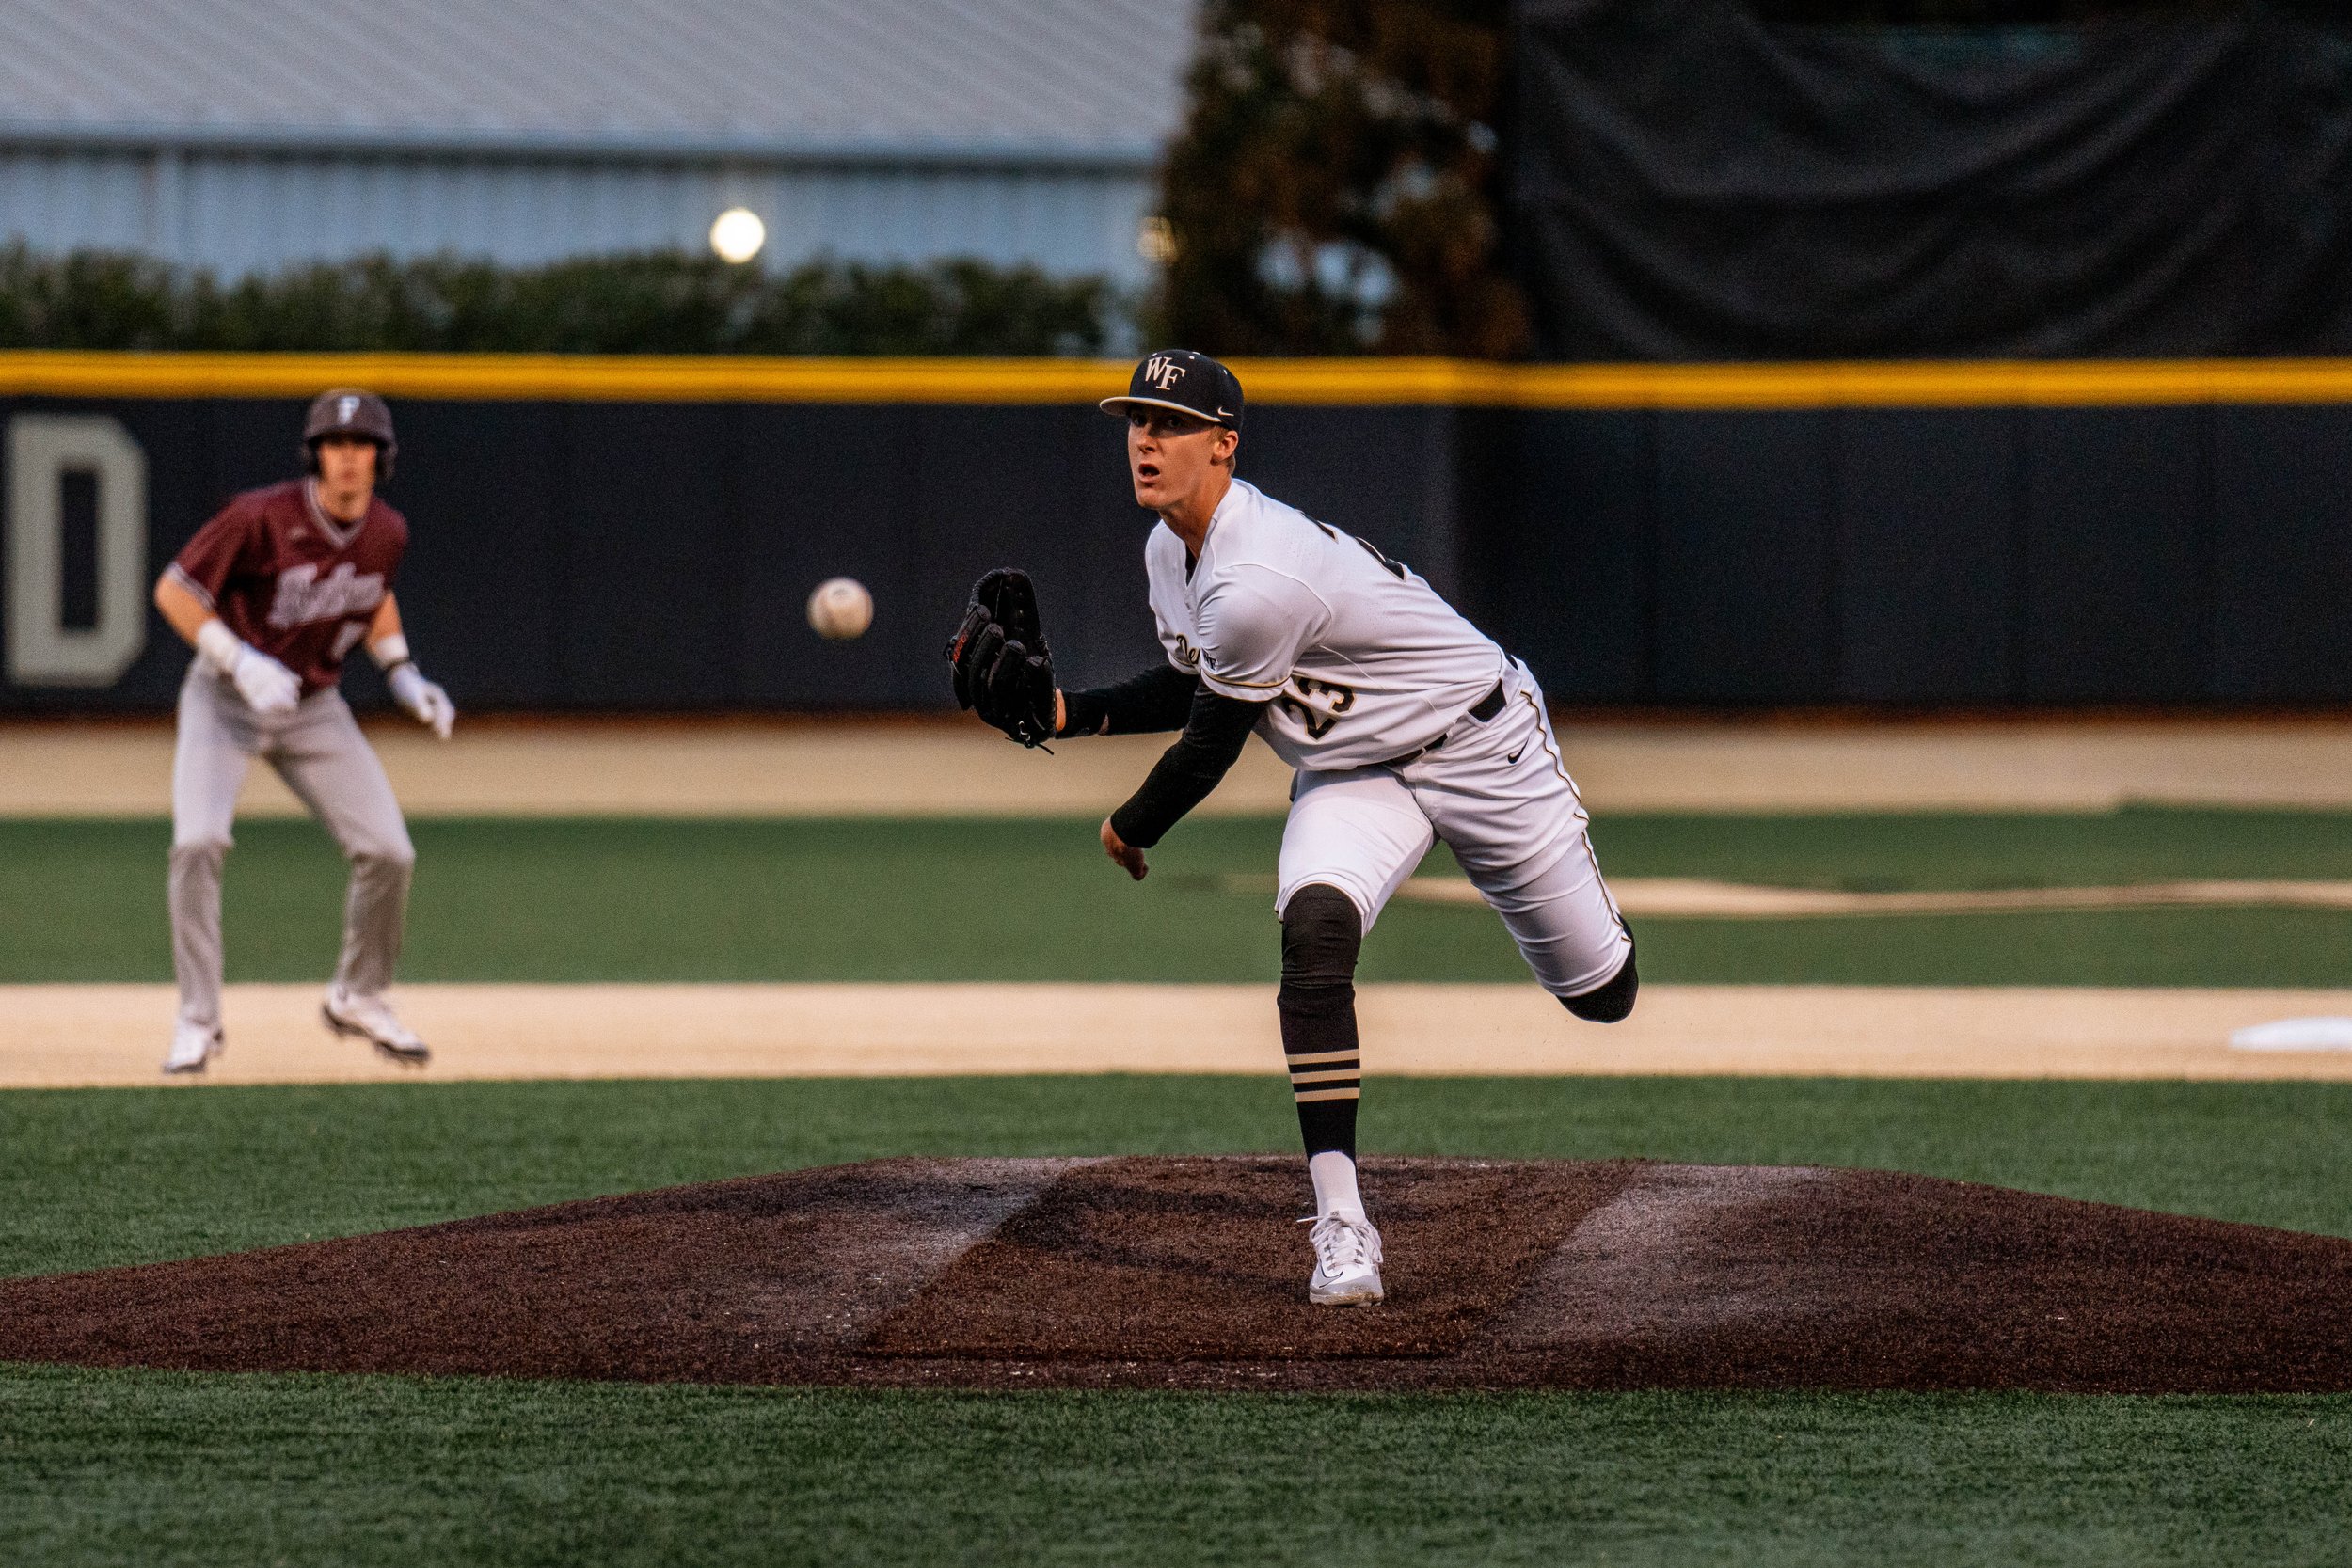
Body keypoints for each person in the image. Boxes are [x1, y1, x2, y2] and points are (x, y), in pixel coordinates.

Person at [947, 350, 1636, 1307]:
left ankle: (1590, 914)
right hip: (1354, 771)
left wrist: (1130, 824)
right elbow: (1195, 676)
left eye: (1171, 423)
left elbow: (1209, 744)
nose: (1145, 439)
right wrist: (1068, 712)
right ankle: (1342, 1222)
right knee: (1313, 931)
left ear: (1223, 446)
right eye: (1136, 421)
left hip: (1483, 747)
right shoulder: (1169, 552)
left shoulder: (1260, 569)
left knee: (1604, 994)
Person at [151, 389, 455, 1076]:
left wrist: (402, 670)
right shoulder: (260, 516)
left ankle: (360, 994)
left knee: (388, 850)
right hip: (224, 698)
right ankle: (198, 1020)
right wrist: (240, 659)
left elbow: (369, 591)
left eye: (361, 445)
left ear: (383, 457)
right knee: (198, 841)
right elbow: (175, 589)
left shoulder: (388, 530)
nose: (348, 458)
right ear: (316, 453)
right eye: (335, 444)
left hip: (313, 703)